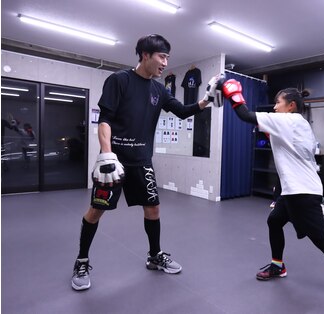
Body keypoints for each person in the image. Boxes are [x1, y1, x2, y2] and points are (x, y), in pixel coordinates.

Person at [71, 34, 221, 291]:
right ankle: (81, 260)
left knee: (153, 210)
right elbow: (104, 120)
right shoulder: (119, 80)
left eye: (167, 58)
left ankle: (154, 256)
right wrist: (106, 154)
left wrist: (207, 98)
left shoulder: (159, 90)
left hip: (142, 162)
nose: (165, 63)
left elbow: (183, 112)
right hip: (114, 163)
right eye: (162, 57)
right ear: (145, 55)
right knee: (96, 210)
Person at [221, 79, 324, 306]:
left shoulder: (289, 120)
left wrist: (231, 92)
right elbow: (281, 144)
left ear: (291, 106)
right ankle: (278, 265)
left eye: (278, 103)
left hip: (301, 192)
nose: (274, 107)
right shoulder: (298, 125)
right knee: (275, 221)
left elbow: (246, 115)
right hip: (295, 190)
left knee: (322, 241)